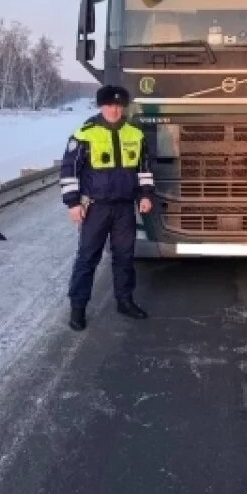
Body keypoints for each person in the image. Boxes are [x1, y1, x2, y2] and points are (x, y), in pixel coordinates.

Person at [59, 84, 154, 329]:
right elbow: (69, 170)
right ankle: (77, 308)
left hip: (124, 208)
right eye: (109, 105)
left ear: (123, 107)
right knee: (87, 258)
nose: (114, 110)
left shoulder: (135, 133)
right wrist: (72, 204)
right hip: (95, 208)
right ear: (101, 106)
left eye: (118, 105)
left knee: (124, 257)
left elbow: (144, 168)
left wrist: (145, 195)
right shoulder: (85, 133)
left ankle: (125, 301)